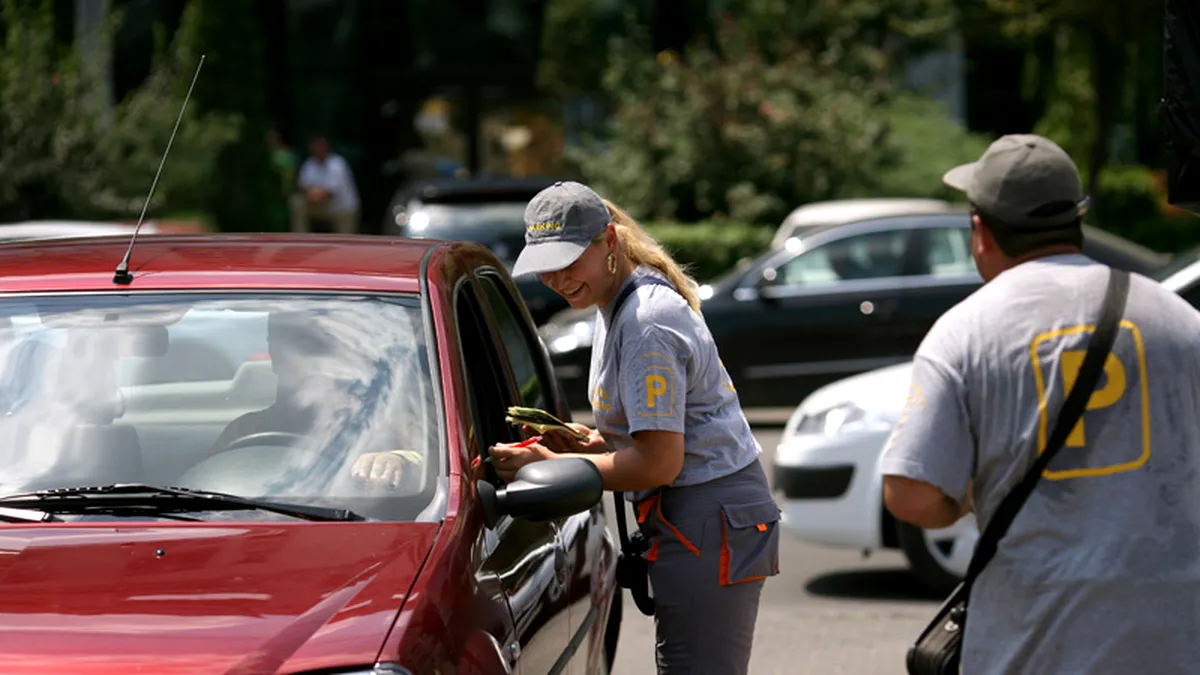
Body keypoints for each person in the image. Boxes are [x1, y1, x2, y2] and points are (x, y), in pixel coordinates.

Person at [879, 134, 1200, 674]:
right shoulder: (1178, 318)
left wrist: (967, 497)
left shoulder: (964, 332)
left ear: (981, 232)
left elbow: (908, 493)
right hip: (1173, 639)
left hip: (1031, 644)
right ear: (1078, 217)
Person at [490, 181, 780, 674]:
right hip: (696, 515)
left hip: (710, 519)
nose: (558, 279)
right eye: (546, 268)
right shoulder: (614, 301)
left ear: (608, 241)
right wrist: (597, 442)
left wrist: (557, 464)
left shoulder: (645, 323)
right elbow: (659, 434)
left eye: (569, 260)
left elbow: (660, 462)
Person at [208, 311, 421, 489]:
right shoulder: (245, 429)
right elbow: (204, 485)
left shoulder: (389, 423)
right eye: (309, 346)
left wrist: (399, 461)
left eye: (340, 348)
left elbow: (435, 476)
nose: (324, 364)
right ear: (275, 355)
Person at [290, 136, 360, 235]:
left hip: (343, 209)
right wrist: (312, 194)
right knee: (297, 202)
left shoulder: (337, 164)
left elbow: (330, 192)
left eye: (320, 146)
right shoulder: (309, 164)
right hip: (320, 205)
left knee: (344, 239)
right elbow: (303, 187)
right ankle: (300, 237)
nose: (318, 149)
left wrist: (315, 194)